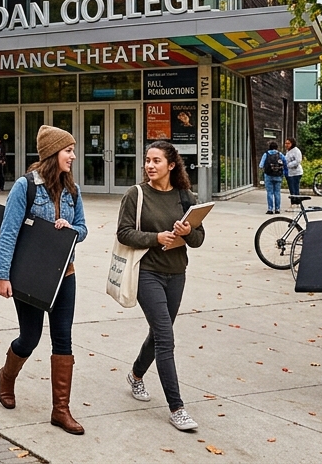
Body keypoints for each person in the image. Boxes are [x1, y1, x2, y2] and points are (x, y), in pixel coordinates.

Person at [0, 125, 88, 435]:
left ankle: (61, 410)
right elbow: (8, 231)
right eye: (68, 150)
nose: (73, 156)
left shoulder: (72, 189)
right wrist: (2, 275)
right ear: (52, 153)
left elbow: (83, 229)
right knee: (30, 338)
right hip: (30, 276)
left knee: (63, 339)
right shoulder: (25, 187)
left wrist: (70, 228)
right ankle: (7, 376)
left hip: (65, 275)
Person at [117, 140, 204, 431]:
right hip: (147, 272)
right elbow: (124, 232)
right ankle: (177, 408)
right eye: (147, 160)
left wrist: (188, 230)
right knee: (166, 338)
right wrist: (156, 238)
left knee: (158, 333)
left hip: (177, 272)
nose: (150, 166)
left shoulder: (185, 196)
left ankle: (136, 375)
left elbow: (199, 239)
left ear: (171, 165)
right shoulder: (136, 194)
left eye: (156, 161)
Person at [258, 141, 285, 214]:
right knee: (277, 193)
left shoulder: (266, 154)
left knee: (269, 192)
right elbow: (285, 162)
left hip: (268, 176)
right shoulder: (280, 154)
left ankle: (270, 209)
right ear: (276, 147)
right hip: (278, 176)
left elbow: (261, 165)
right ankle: (277, 209)